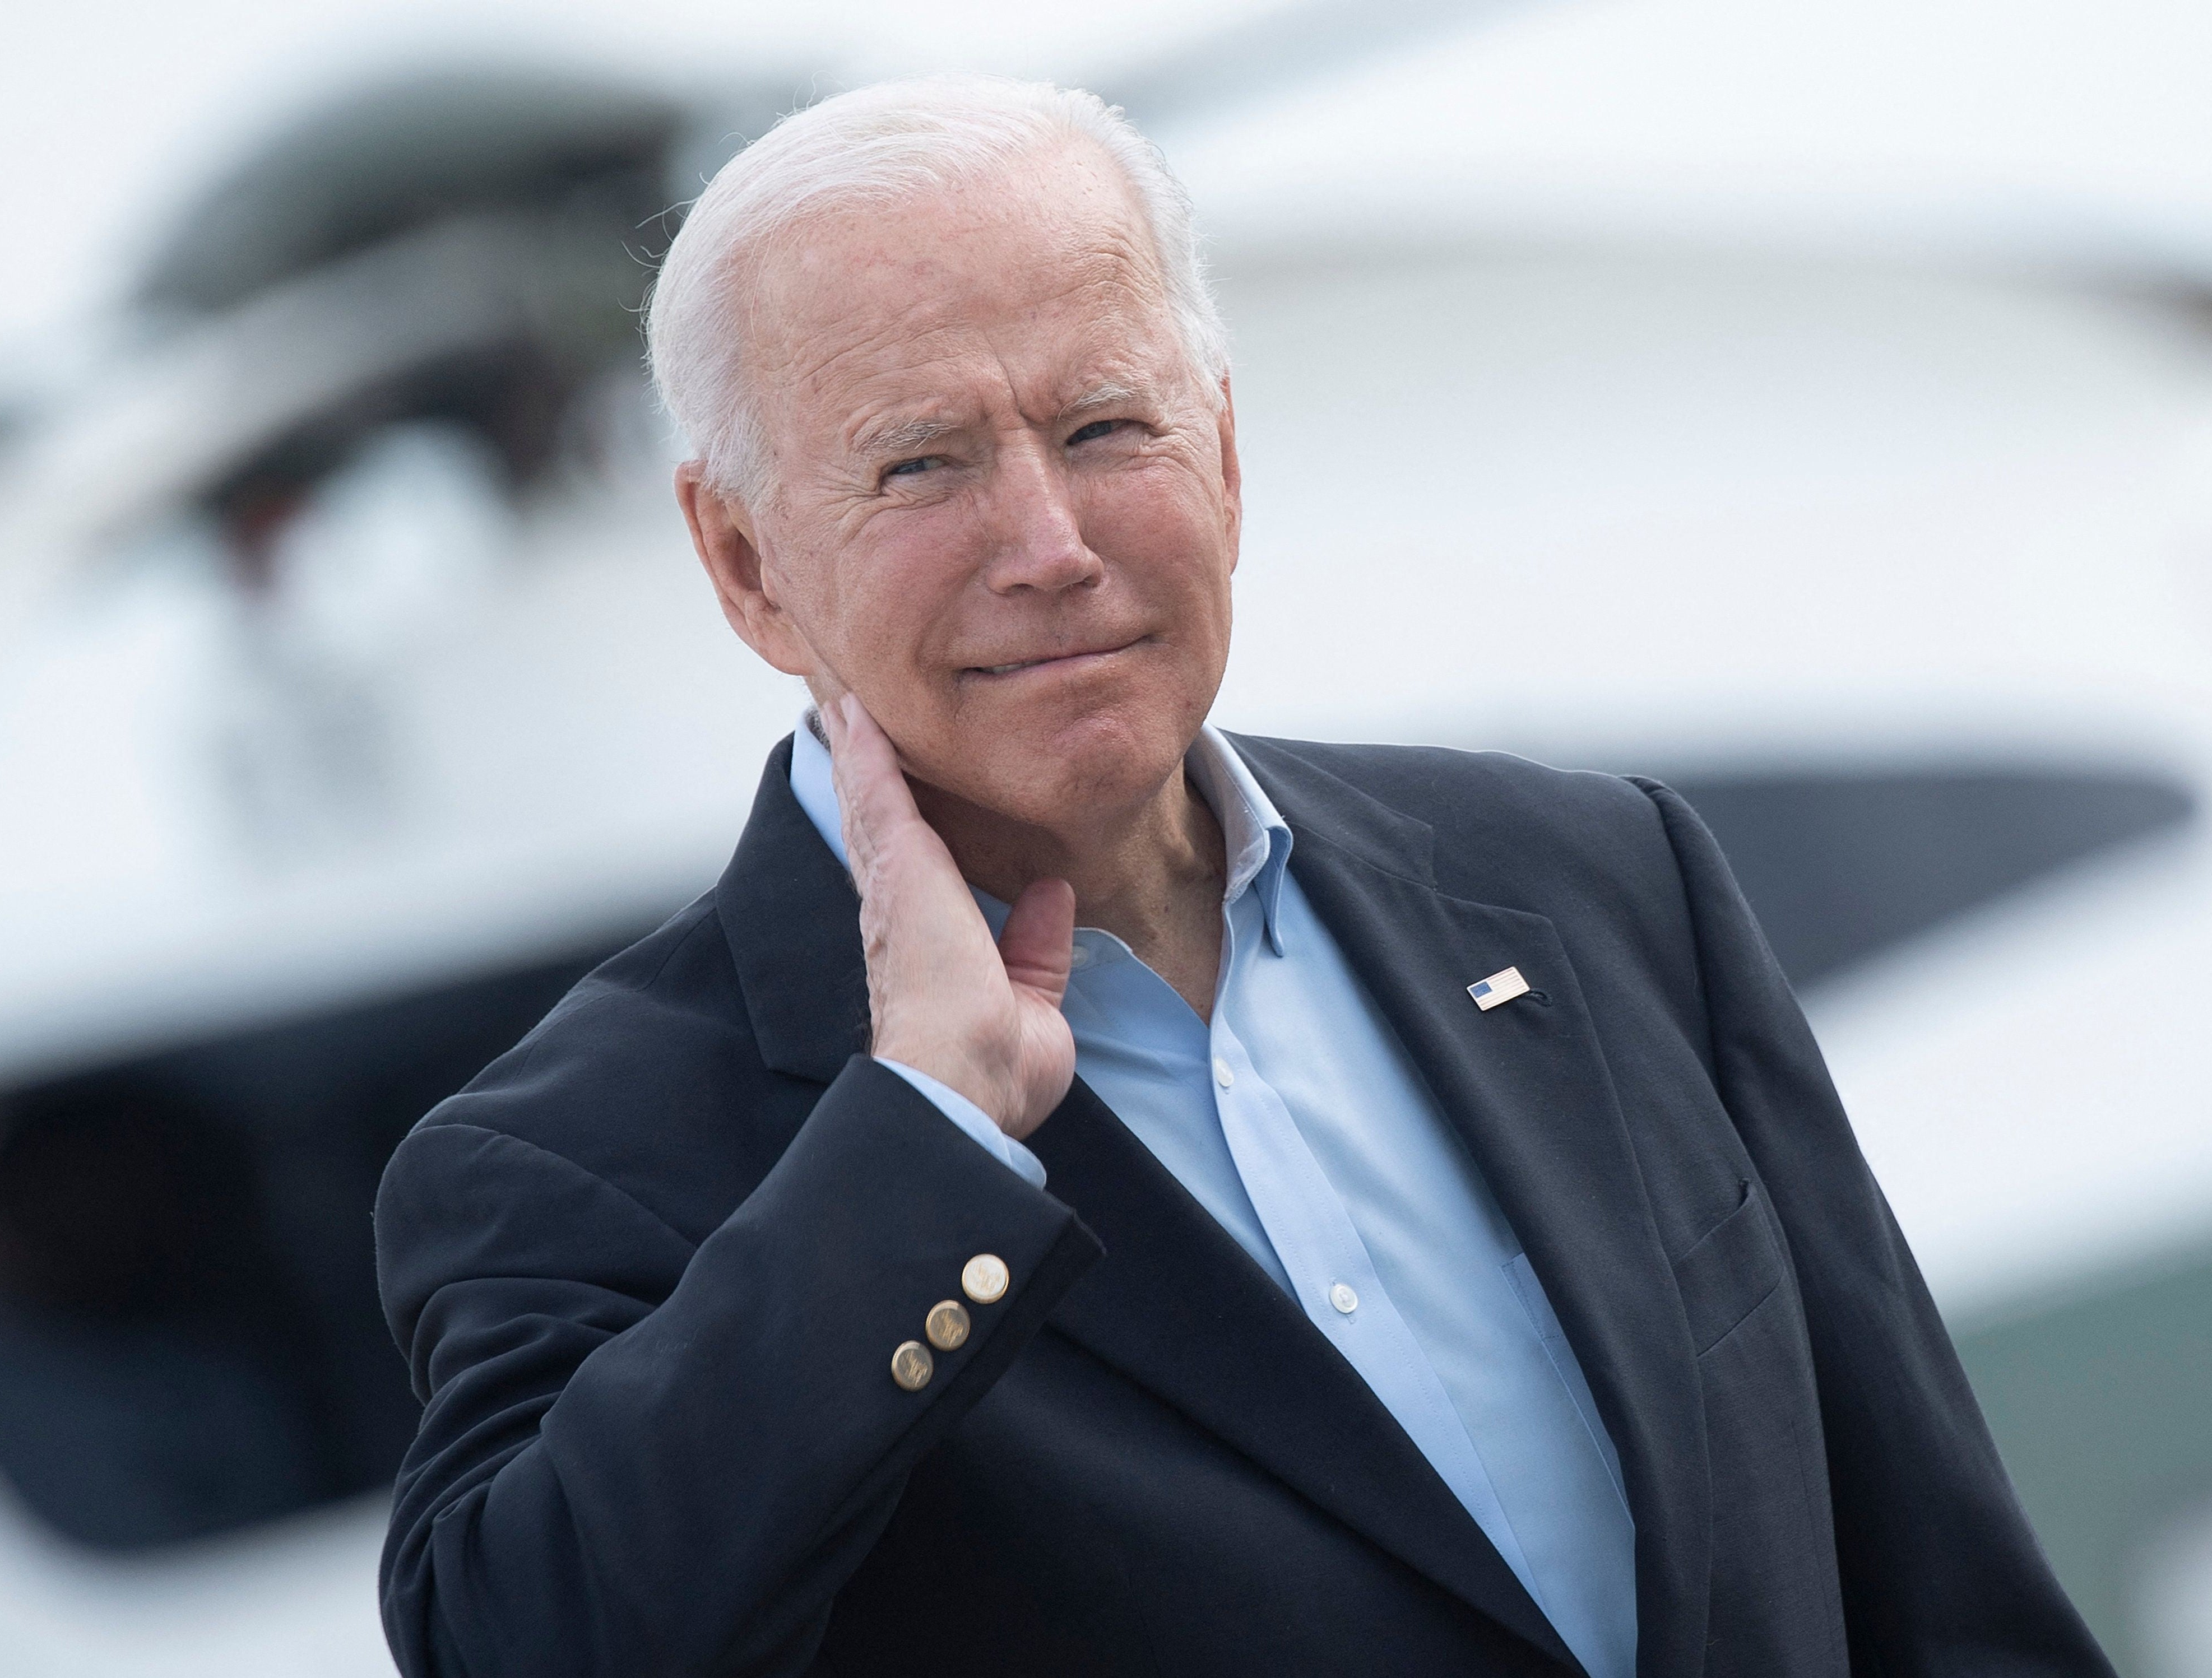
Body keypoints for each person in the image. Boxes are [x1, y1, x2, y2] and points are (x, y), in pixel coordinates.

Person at [374, 75, 2112, 1678]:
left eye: (1108, 427)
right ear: (744, 562)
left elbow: (1953, 1604)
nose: (1049, 547)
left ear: (1223, 446)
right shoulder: (568, 1159)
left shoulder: (1600, 884)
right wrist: (920, 1139)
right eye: (925, 461)